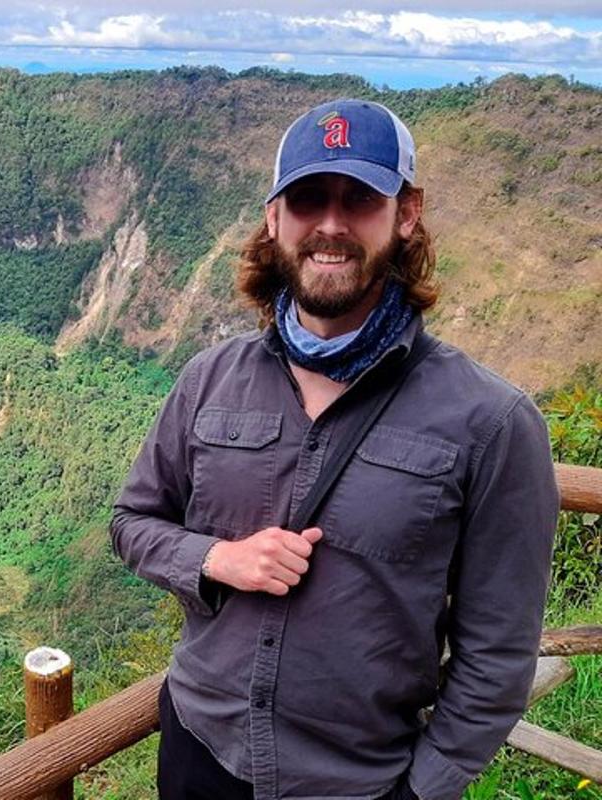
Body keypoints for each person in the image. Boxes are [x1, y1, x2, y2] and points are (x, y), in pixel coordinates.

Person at [110, 98, 558, 800]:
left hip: (357, 783)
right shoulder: (210, 379)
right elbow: (132, 521)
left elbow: (498, 654)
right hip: (200, 750)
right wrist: (215, 558)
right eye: (308, 198)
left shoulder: (492, 421)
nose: (330, 224)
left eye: (359, 200)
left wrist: (421, 790)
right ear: (273, 218)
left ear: (405, 214)